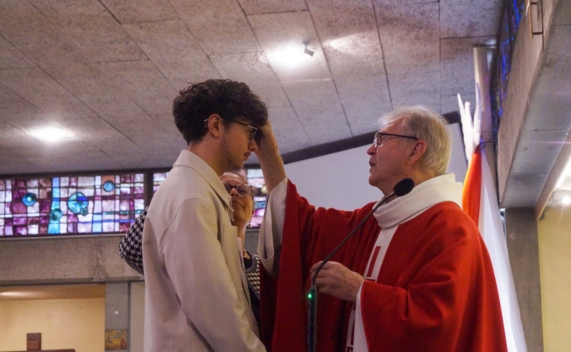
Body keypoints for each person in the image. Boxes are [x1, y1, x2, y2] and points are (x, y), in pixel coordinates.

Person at [254, 106, 508, 351]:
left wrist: (359, 290)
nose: (370, 150)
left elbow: (438, 324)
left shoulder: (451, 228)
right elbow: (304, 228)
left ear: (415, 151)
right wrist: (269, 154)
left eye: (381, 139)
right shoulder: (374, 220)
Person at [141, 79, 267, 351]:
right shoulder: (191, 197)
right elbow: (215, 309)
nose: (253, 145)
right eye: (249, 131)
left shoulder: (198, 190)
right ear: (216, 125)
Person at [119, 171, 262, 323]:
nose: (233, 192)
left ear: (252, 213)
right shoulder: (189, 259)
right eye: (223, 188)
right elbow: (131, 250)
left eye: (243, 190)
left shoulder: (262, 268)